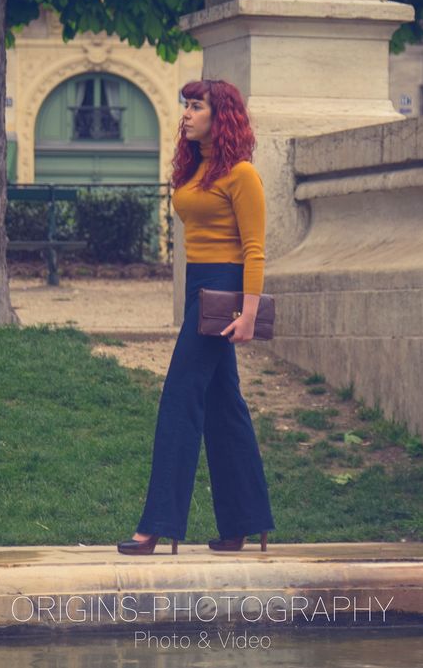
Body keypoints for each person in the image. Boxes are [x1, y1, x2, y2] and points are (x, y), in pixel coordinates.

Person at [117, 79, 276, 556]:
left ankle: (158, 523)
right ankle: (244, 521)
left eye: (196, 106)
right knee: (224, 403)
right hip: (197, 286)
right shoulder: (196, 168)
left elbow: (254, 249)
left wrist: (248, 314)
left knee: (180, 397)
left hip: (225, 288)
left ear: (220, 116)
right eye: (185, 105)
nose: (186, 114)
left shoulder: (242, 175)